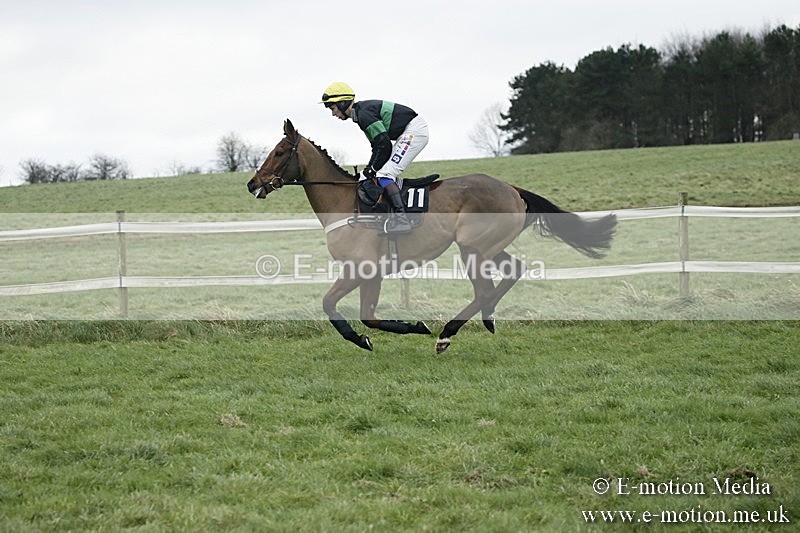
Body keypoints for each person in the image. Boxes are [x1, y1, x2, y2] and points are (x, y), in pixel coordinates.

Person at [320, 82, 429, 234]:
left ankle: (402, 220)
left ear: (342, 103)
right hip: (408, 131)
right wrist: (368, 170)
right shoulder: (360, 114)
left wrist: (371, 170)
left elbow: (384, 145)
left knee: (384, 174)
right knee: (381, 173)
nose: (333, 113)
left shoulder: (364, 115)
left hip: (414, 131)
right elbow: (377, 147)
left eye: (333, 108)